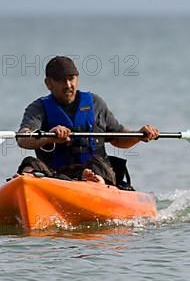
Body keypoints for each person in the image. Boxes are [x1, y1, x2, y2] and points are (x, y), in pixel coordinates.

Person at [16, 56, 159, 186]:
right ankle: (27, 182)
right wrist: (48, 137)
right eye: (60, 80)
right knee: (29, 163)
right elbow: (23, 139)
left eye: (71, 78)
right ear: (48, 83)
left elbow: (118, 138)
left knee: (97, 164)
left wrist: (139, 135)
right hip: (56, 177)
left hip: (95, 171)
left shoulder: (95, 104)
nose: (68, 85)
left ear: (77, 79)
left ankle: (97, 183)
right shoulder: (37, 108)